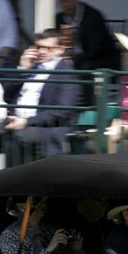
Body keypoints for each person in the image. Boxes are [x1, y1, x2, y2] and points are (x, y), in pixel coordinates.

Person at [2, 28, 82, 166]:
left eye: (48, 48)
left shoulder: (67, 73)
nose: (43, 52)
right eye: (39, 47)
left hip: (46, 126)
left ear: (60, 49)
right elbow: (8, 96)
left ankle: (16, 181)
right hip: (17, 121)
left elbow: (62, 111)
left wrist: (26, 122)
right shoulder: (31, 67)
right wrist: (22, 69)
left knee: (20, 136)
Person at [0, 197, 84, 254]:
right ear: (21, 207)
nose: (43, 205)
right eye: (36, 202)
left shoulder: (47, 228)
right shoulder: (9, 235)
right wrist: (48, 250)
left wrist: (75, 251)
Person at [56, 0, 121, 73]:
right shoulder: (59, 18)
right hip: (72, 58)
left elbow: (96, 48)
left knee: (84, 67)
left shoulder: (92, 16)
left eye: (67, 1)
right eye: (61, 1)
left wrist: (74, 60)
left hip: (100, 59)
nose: (64, 4)